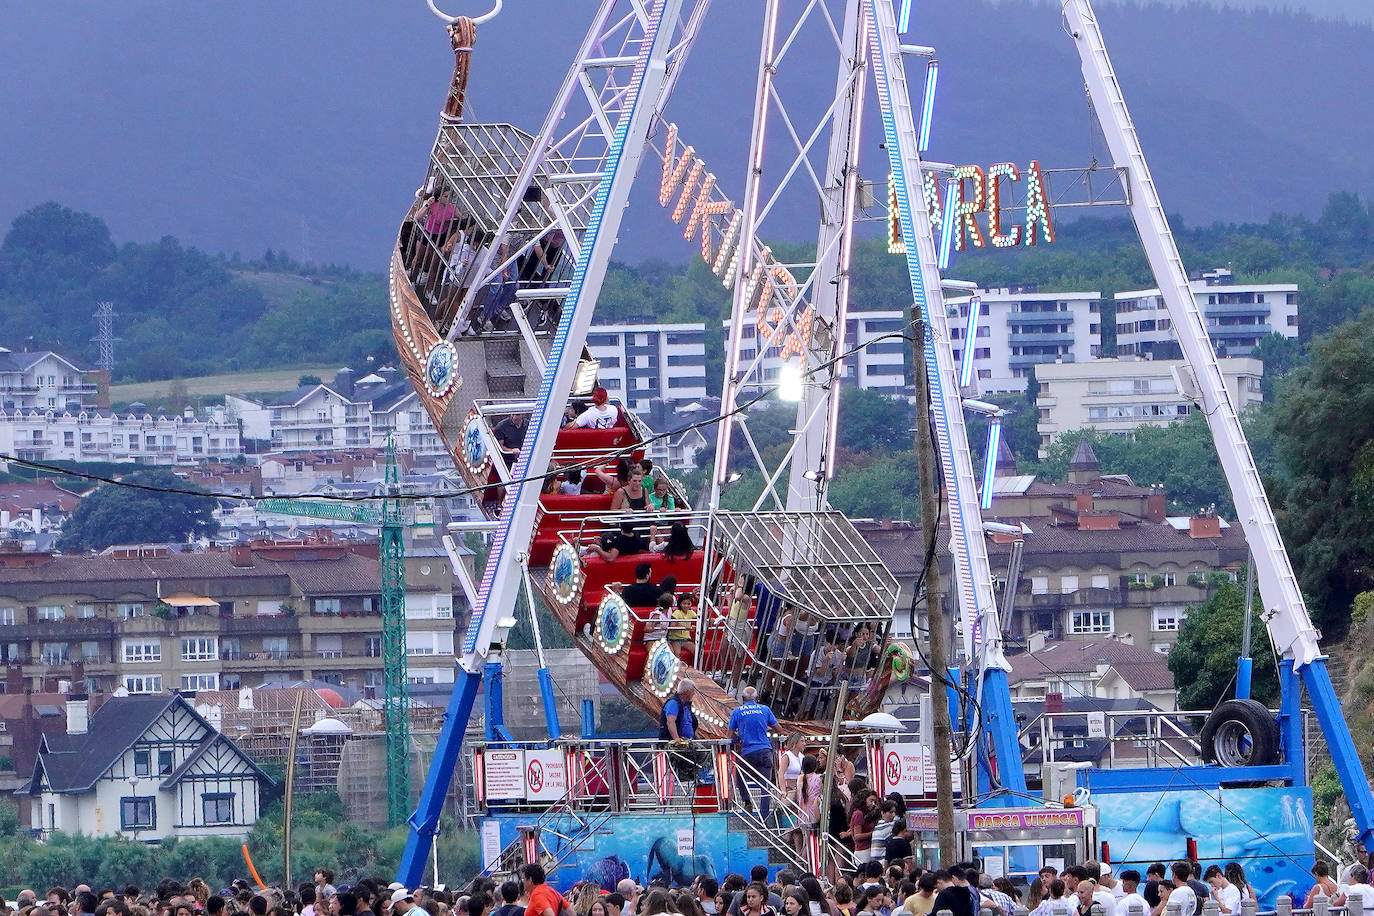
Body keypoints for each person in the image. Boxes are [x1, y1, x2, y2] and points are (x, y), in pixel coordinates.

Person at [729, 685, 780, 817]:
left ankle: (747, 801)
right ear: (757, 698)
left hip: (748, 752)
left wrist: (738, 738)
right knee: (765, 785)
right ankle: (764, 817)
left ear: (742, 698)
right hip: (765, 751)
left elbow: (729, 734)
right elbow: (779, 728)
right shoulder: (765, 709)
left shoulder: (737, 712)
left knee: (739, 773)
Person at [587, 522, 651, 562]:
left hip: (621, 565)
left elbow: (610, 558)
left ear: (621, 528)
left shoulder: (620, 540)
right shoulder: (637, 536)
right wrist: (601, 544)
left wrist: (597, 549)